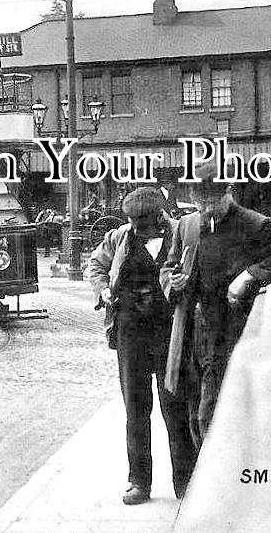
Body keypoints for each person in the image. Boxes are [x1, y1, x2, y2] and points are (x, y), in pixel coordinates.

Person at [161, 163, 271, 450]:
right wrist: (175, 281)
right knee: (195, 416)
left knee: (214, 416)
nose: (206, 209)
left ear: (229, 192)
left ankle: (218, 486)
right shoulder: (186, 225)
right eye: (200, 202)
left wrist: (249, 275)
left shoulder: (254, 224)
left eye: (213, 202)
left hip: (236, 336)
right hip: (193, 337)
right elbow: (170, 268)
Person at [87, 187, 196, 505]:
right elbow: (95, 265)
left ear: (160, 215)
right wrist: (103, 289)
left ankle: (185, 481)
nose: (136, 227)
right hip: (130, 332)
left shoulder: (181, 233)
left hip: (168, 332)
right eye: (132, 220)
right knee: (136, 410)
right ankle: (139, 482)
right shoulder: (121, 235)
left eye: (142, 221)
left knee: (174, 407)